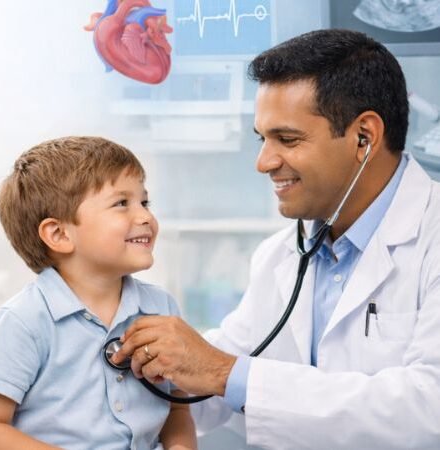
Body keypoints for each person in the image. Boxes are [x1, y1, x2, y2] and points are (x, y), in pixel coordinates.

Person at [112, 29, 440, 449]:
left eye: (287, 139)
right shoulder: (281, 255)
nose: (264, 162)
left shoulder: (429, 237)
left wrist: (224, 371)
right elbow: (214, 385)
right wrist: (139, 364)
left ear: (365, 137)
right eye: (262, 139)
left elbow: (428, 411)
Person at [0, 136, 197, 450]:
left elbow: (177, 405)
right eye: (121, 203)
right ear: (59, 234)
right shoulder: (23, 321)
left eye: (145, 202)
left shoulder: (161, 307)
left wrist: (180, 447)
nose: (145, 217)